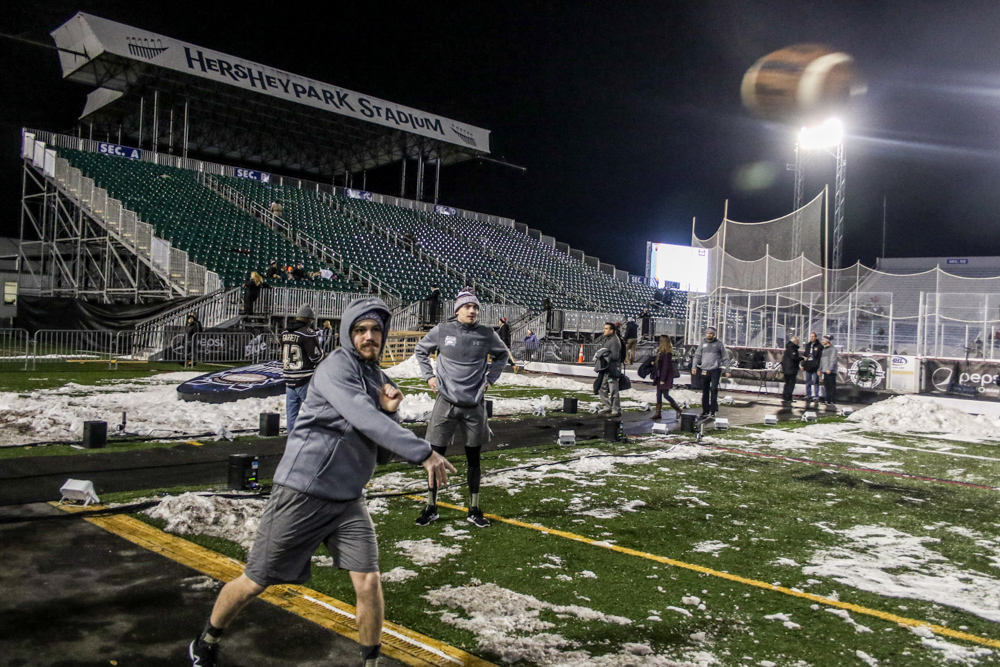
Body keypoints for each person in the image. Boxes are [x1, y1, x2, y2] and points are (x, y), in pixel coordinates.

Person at [188, 298, 455, 667]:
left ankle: (370, 662)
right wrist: (424, 452)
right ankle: (206, 638)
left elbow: (380, 452)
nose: (369, 337)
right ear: (348, 332)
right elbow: (362, 416)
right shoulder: (334, 368)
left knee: (369, 582)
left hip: (348, 499)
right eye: (360, 330)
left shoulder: (379, 380)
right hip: (302, 492)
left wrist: (390, 412)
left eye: (376, 330)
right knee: (255, 581)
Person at [414, 290, 509, 528]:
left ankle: (474, 508)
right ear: (457, 310)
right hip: (445, 403)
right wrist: (429, 377)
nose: (472, 311)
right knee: (436, 456)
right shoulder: (442, 330)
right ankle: (431, 506)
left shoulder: (487, 334)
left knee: (474, 459)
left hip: (474, 406)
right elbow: (420, 350)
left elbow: (502, 355)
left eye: (475, 307)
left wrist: (490, 379)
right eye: (467, 307)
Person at [281, 305, 324, 433]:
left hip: (288, 377)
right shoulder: (308, 333)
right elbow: (315, 357)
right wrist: (323, 354)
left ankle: (292, 441)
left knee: (291, 414)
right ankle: (313, 439)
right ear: (308, 319)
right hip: (305, 378)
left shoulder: (284, 332)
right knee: (314, 410)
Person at [691, 326, 730, 417]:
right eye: (708, 333)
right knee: (705, 391)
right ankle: (705, 410)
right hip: (704, 370)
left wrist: (728, 370)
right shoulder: (702, 344)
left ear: (714, 334)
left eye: (711, 333)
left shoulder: (719, 344)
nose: (709, 335)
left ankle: (713, 410)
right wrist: (694, 367)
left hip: (715, 370)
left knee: (713, 389)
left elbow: (725, 357)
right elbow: (697, 356)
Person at [594, 322, 624, 417]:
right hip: (606, 368)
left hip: (612, 369)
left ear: (612, 330)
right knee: (602, 388)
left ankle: (616, 409)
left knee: (613, 390)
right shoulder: (608, 339)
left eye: (606, 328)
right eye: (604, 328)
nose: (604, 330)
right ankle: (607, 407)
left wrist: (604, 354)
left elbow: (615, 356)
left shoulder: (614, 341)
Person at [653, 335, 681, 420]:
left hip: (664, 377)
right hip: (660, 376)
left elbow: (666, 367)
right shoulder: (661, 352)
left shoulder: (667, 354)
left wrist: (662, 379)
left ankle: (678, 409)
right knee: (658, 395)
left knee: (665, 395)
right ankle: (658, 413)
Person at [801, 331, 823, 403]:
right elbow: (805, 355)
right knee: (808, 381)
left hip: (815, 366)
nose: (812, 338)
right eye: (811, 336)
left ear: (816, 337)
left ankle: (816, 395)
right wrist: (803, 364)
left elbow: (820, 357)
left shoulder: (819, 346)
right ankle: (808, 394)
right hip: (808, 366)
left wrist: (819, 367)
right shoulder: (808, 345)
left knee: (815, 381)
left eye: (813, 336)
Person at [780, 336, 802, 402]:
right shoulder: (793, 348)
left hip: (787, 369)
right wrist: (802, 358)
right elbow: (794, 358)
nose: (799, 342)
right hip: (791, 369)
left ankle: (785, 396)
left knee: (787, 383)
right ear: (795, 341)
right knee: (791, 383)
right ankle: (788, 397)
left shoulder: (788, 347)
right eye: (798, 341)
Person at [820, 335, 838, 406]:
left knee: (831, 386)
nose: (822, 341)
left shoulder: (833, 349)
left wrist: (829, 369)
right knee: (826, 385)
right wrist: (820, 369)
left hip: (831, 371)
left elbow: (832, 360)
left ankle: (832, 400)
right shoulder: (824, 349)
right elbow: (822, 360)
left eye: (823, 340)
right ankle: (827, 399)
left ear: (827, 341)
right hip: (825, 370)